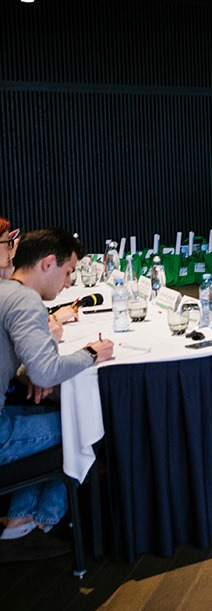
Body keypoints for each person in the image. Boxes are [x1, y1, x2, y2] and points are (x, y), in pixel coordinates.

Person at [0, 229, 114, 563]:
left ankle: (20, 525)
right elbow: (47, 373)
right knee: (83, 424)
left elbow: (35, 367)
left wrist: (34, 372)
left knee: (55, 417)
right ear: (48, 263)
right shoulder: (24, 300)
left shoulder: (6, 291)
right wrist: (91, 353)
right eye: (67, 272)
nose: (67, 284)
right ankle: (40, 524)